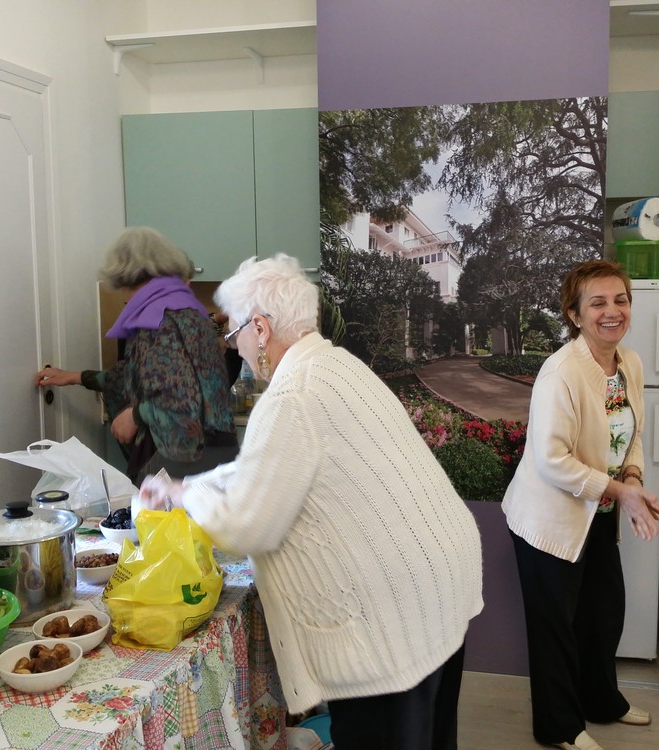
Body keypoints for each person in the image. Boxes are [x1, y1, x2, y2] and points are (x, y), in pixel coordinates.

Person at [138, 253, 483, 750]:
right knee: (431, 735)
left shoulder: (290, 396)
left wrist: (187, 498)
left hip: (394, 617)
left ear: (260, 327)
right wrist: (189, 488)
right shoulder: (336, 364)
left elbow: (246, 525)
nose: (237, 349)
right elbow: (264, 468)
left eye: (235, 336)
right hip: (438, 584)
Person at [502, 260, 659, 750]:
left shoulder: (629, 364)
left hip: (595, 512)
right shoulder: (561, 373)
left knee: (603, 613)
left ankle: (602, 702)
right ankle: (559, 728)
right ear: (575, 315)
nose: (612, 311)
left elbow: (632, 435)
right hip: (548, 519)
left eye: (620, 300)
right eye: (597, 302)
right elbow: (552, 460)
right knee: (555, 627)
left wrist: (634, 478)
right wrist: (621, 492)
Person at [35, 227, 235, 483]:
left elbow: (180, 399)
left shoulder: (160, 317)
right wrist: (74, 377)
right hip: (212, 454)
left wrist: (134, 415)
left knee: (157, 521)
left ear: (125, 271)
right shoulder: (184, 307)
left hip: (187, 459)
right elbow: (137, 373)